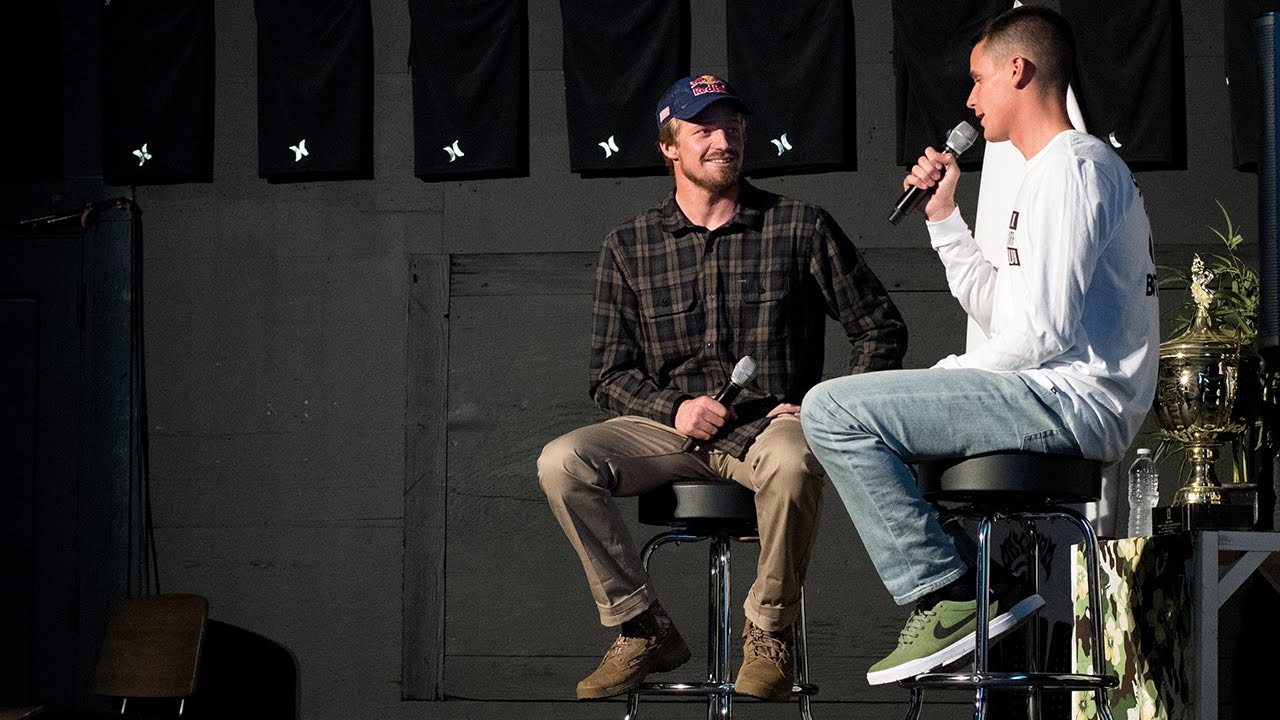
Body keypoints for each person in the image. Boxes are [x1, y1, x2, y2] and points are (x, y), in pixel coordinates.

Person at [800, 6, 1159, 686]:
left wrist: (947, 376)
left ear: (1017, 71)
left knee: (832, 411)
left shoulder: (1071, 171)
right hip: (1052, 394)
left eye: (978, 79)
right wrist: (944, 219)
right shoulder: (1048, 175)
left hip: (1068, 404)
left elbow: (1040, 336)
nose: (969, 101)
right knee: (860, 417)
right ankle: (988, 574)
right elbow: (1009, 316)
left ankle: (950, 591)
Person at [537, 74, 908, 701]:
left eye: (732, 125)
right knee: (562, 461)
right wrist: (674, 408)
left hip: (769, 427)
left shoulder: (801, 227)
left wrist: (825, 405)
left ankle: (768, 633)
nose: (723, 139)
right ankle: (642, 625)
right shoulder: (629, 246)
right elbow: (608, 373)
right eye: (703, 128)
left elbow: (881, 329)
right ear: (669, 146)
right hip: (666, 431)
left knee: (795, 460)